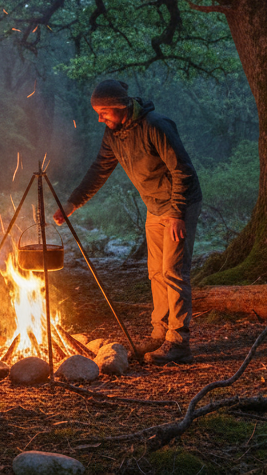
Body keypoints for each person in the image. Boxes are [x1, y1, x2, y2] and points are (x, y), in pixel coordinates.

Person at [54, 79, 202, 364]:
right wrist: (73, 202)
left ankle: (179, 342)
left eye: (104, 112)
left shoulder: (156, 126)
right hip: (154, 206)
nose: (100, 118)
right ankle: (160, 335)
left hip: (178, 204)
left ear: (120, 107)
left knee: (173, 272)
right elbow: (100, 169)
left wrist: (176, 213)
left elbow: (183, 171)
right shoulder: (114, 134)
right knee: (156, 273)